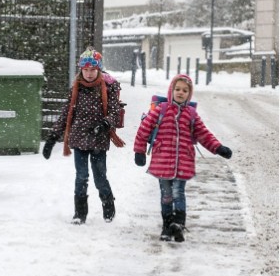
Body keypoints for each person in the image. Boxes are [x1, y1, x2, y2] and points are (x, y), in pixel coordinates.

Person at [134, 74, 232, 243]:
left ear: (189, 93)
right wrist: (139, 152)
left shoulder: (191, 114)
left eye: (185, 90)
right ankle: (167, 225)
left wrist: (218, 148)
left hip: (183, 162)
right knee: (166, 196)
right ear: (171, 90)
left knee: (178, 194)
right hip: (162, 161)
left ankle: (178, 225)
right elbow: (143, 130)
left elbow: (203, 134)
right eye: (177, 89)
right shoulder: (161, 110)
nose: (180, 93)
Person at [43, 47, 124, 224]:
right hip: (79, 139)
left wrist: (104, 124)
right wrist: (52, 137)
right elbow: (66, 114)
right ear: (81, 69)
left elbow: (114, 111)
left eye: (92, 70)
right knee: (81, 176)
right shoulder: (76, 89)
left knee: (99, 177)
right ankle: (80, 213)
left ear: (99, 70)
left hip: (98, 140)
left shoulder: (107, 88)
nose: (88, 73)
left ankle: (108, 205)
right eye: (85, 69)